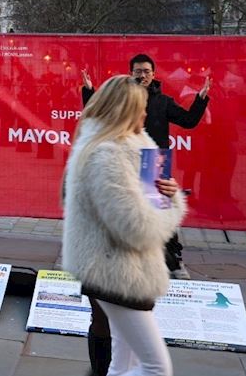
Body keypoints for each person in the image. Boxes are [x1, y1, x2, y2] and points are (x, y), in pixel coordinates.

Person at [63, 75, 186, 376]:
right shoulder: (108, 155)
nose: (146, 114)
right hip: (118, 271)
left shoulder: (131, 144)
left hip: (122, 267)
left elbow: (146, 205)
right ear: (126, 111)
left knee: (123, 365)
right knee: (156, 370)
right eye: (141, 108)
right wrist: (173, 204)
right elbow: (139, 229)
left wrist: (166, 194)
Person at [82, 55, 210, 279]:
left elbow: (188, 121)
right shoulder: (121, 99)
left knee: (160, 211)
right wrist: (89, 91)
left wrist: (201, 98)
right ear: (131, 73)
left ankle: (173, 261)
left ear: (153, 74)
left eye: (146, 71)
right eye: (138, 71)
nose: (142, 75)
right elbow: (97, 115)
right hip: (125, 158)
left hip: (155, 161)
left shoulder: (163, 101)